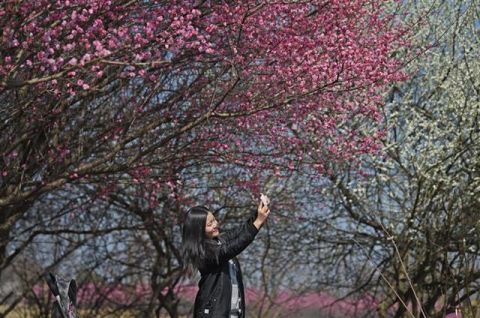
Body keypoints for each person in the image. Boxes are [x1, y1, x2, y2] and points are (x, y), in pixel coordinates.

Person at [182, 198, 270, 318]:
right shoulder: (204, 253)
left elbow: (241, 231)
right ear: (199, 229)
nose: (216, 224)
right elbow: (235, 246)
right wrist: (258, 222)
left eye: (214, 220)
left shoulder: (219, 242)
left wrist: (258, 213)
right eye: (210, 224)